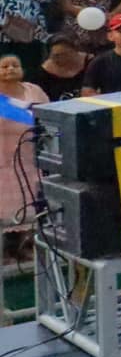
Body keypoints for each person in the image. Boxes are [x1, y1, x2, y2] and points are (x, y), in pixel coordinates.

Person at [0, 53, 47, 228]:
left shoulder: (34, 91)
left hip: (30, 162)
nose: (10, 69)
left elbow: (50, 117)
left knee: (33, 211)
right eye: (5, 66)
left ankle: (27, 246)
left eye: (15, 65)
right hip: (3, 163)